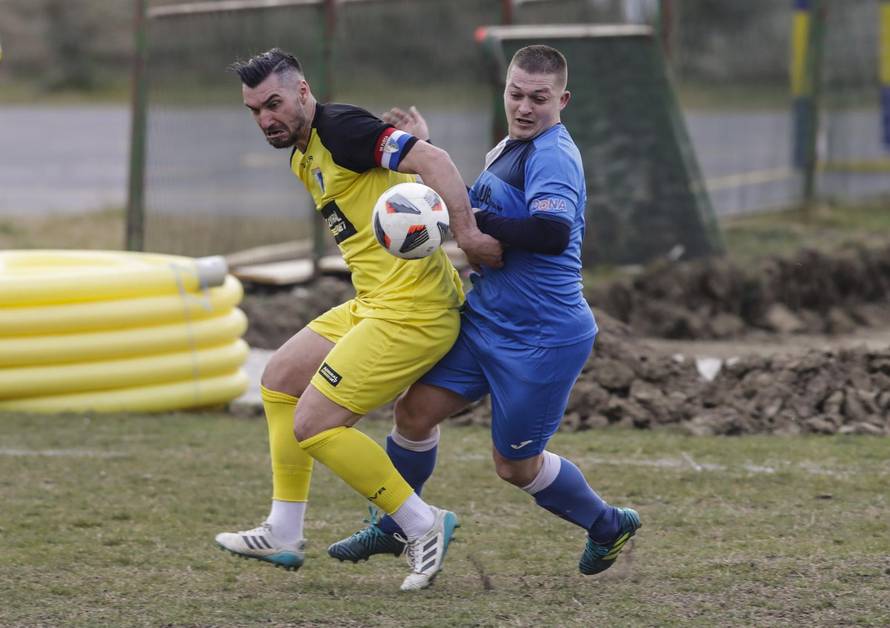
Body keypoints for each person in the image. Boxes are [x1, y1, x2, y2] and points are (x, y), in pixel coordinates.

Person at [328, 45, 641, 575]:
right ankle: (395, 526)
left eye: (538, 98)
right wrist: (425, 153)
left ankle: (608, 525)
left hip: (542, 336)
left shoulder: (553, 155)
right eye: (516, 94)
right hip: (487, 318)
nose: (524, 107)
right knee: (413, 413)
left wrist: (473, 225)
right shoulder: (508, 146)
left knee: (514, 466)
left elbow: (550, 231)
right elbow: (475, 205)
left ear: (562, 99)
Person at [214, 48, 503, 592]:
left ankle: (422, 524)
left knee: (314, 425)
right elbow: (397, 176)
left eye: (273, 103)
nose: (265, 119)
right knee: (278, 381)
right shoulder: (304, 152)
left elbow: (434, 161)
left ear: (303, 92)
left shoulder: (339, 128)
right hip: (375, 302)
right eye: (254, 110)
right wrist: (410, 147)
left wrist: (465, 235)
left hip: (414, 312)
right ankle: (283, 530)